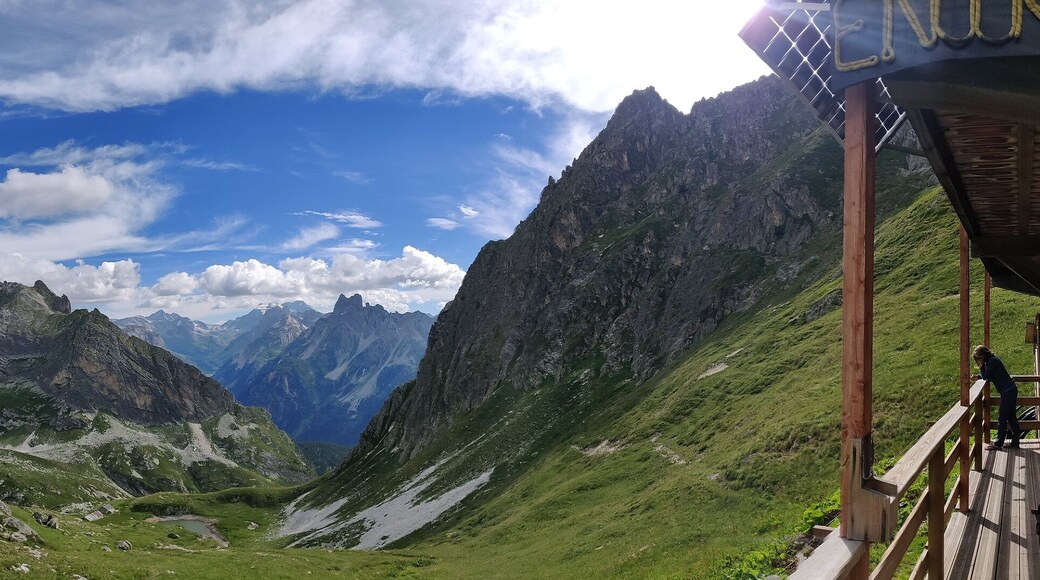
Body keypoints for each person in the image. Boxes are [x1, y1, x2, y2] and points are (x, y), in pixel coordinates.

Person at [973, 345, 1021, 450]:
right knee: (1011, 416)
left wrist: (981, 366)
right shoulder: (992, 360)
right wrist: (979, 376)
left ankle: (998, 443)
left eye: (979, 358)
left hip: (1007, 392)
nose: (979, 361)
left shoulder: (992, 362)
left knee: (1002, 417)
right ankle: (1015, 443)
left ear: (982, 356)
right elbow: (990, 375)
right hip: (1010, 390)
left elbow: (986, 376)